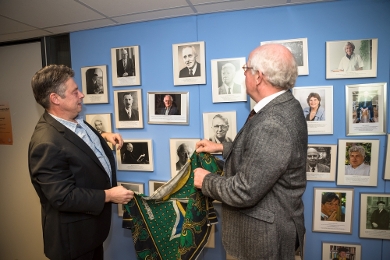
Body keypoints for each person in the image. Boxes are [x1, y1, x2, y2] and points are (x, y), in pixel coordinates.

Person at [193, 44, 307, 259]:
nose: (243, 73)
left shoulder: (273, 122)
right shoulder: (286, 105)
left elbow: (244, 191)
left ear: (258, 77)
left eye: (246, 68)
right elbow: (267, 156)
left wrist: (205, 180)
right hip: (271, 230)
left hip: (262, 242)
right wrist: (220, 147)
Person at [28, 65, 134, 260]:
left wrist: (103, 136)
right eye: (75, 91)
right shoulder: (45, 143)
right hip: (73, 243)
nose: (82, 95)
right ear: (55, 99)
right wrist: (108, 195)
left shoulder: (73, 121)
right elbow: (63, 196)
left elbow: (76, 147)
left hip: (91, 233)